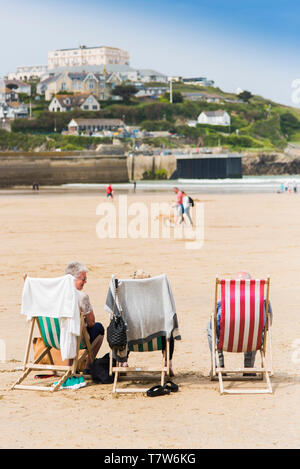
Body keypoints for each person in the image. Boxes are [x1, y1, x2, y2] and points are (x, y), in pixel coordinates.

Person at [206, 271, 272, 376]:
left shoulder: (224, 301)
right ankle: (248, 368)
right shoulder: (263, 301)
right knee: (257, 329)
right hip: (252, 341)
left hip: (227, 340)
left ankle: (219, 366)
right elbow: (268, 325)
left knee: (210, 328)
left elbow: (216, 324)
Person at [65, 261, 104, 374]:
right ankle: (88, 367)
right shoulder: (82, 296)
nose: (85, 282)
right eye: (83, 279)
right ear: (74, 279)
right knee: (99, 328)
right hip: (76, 338)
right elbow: (91, 322)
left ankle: (70, 366)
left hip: (56, 338)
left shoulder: (57, 295)